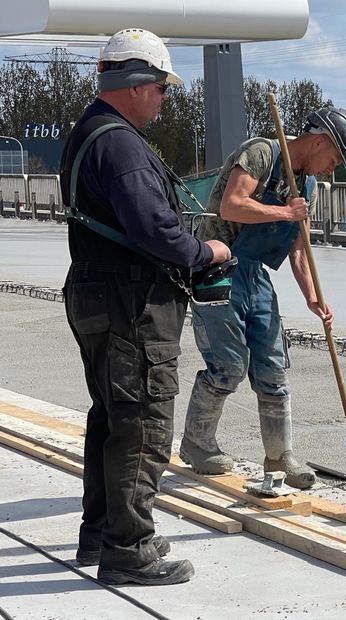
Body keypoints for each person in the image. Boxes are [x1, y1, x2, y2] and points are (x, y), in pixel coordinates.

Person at [61, 28, 231, 585]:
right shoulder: (122, 143)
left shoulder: (89, 133)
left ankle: (101, 534)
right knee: (141, 423)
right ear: (137, 84)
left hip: (96, 293)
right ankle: (128, 550)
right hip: (130, 301)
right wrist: (204, 250)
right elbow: (154, 227)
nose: (163, 98)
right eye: (161, 88)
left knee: (111, 415)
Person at [179, 107, 346, 489]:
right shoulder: (261, 153)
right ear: (319, 142)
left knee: (273, 368)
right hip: (219, 268)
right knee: (228, 365)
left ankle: (280, 455)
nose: (331, 169)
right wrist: (284, 209)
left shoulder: (307, 185)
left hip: (255, 274)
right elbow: (232, 204)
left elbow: (298, 248)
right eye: (333, 159)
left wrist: (314, 297)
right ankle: (197, 443)